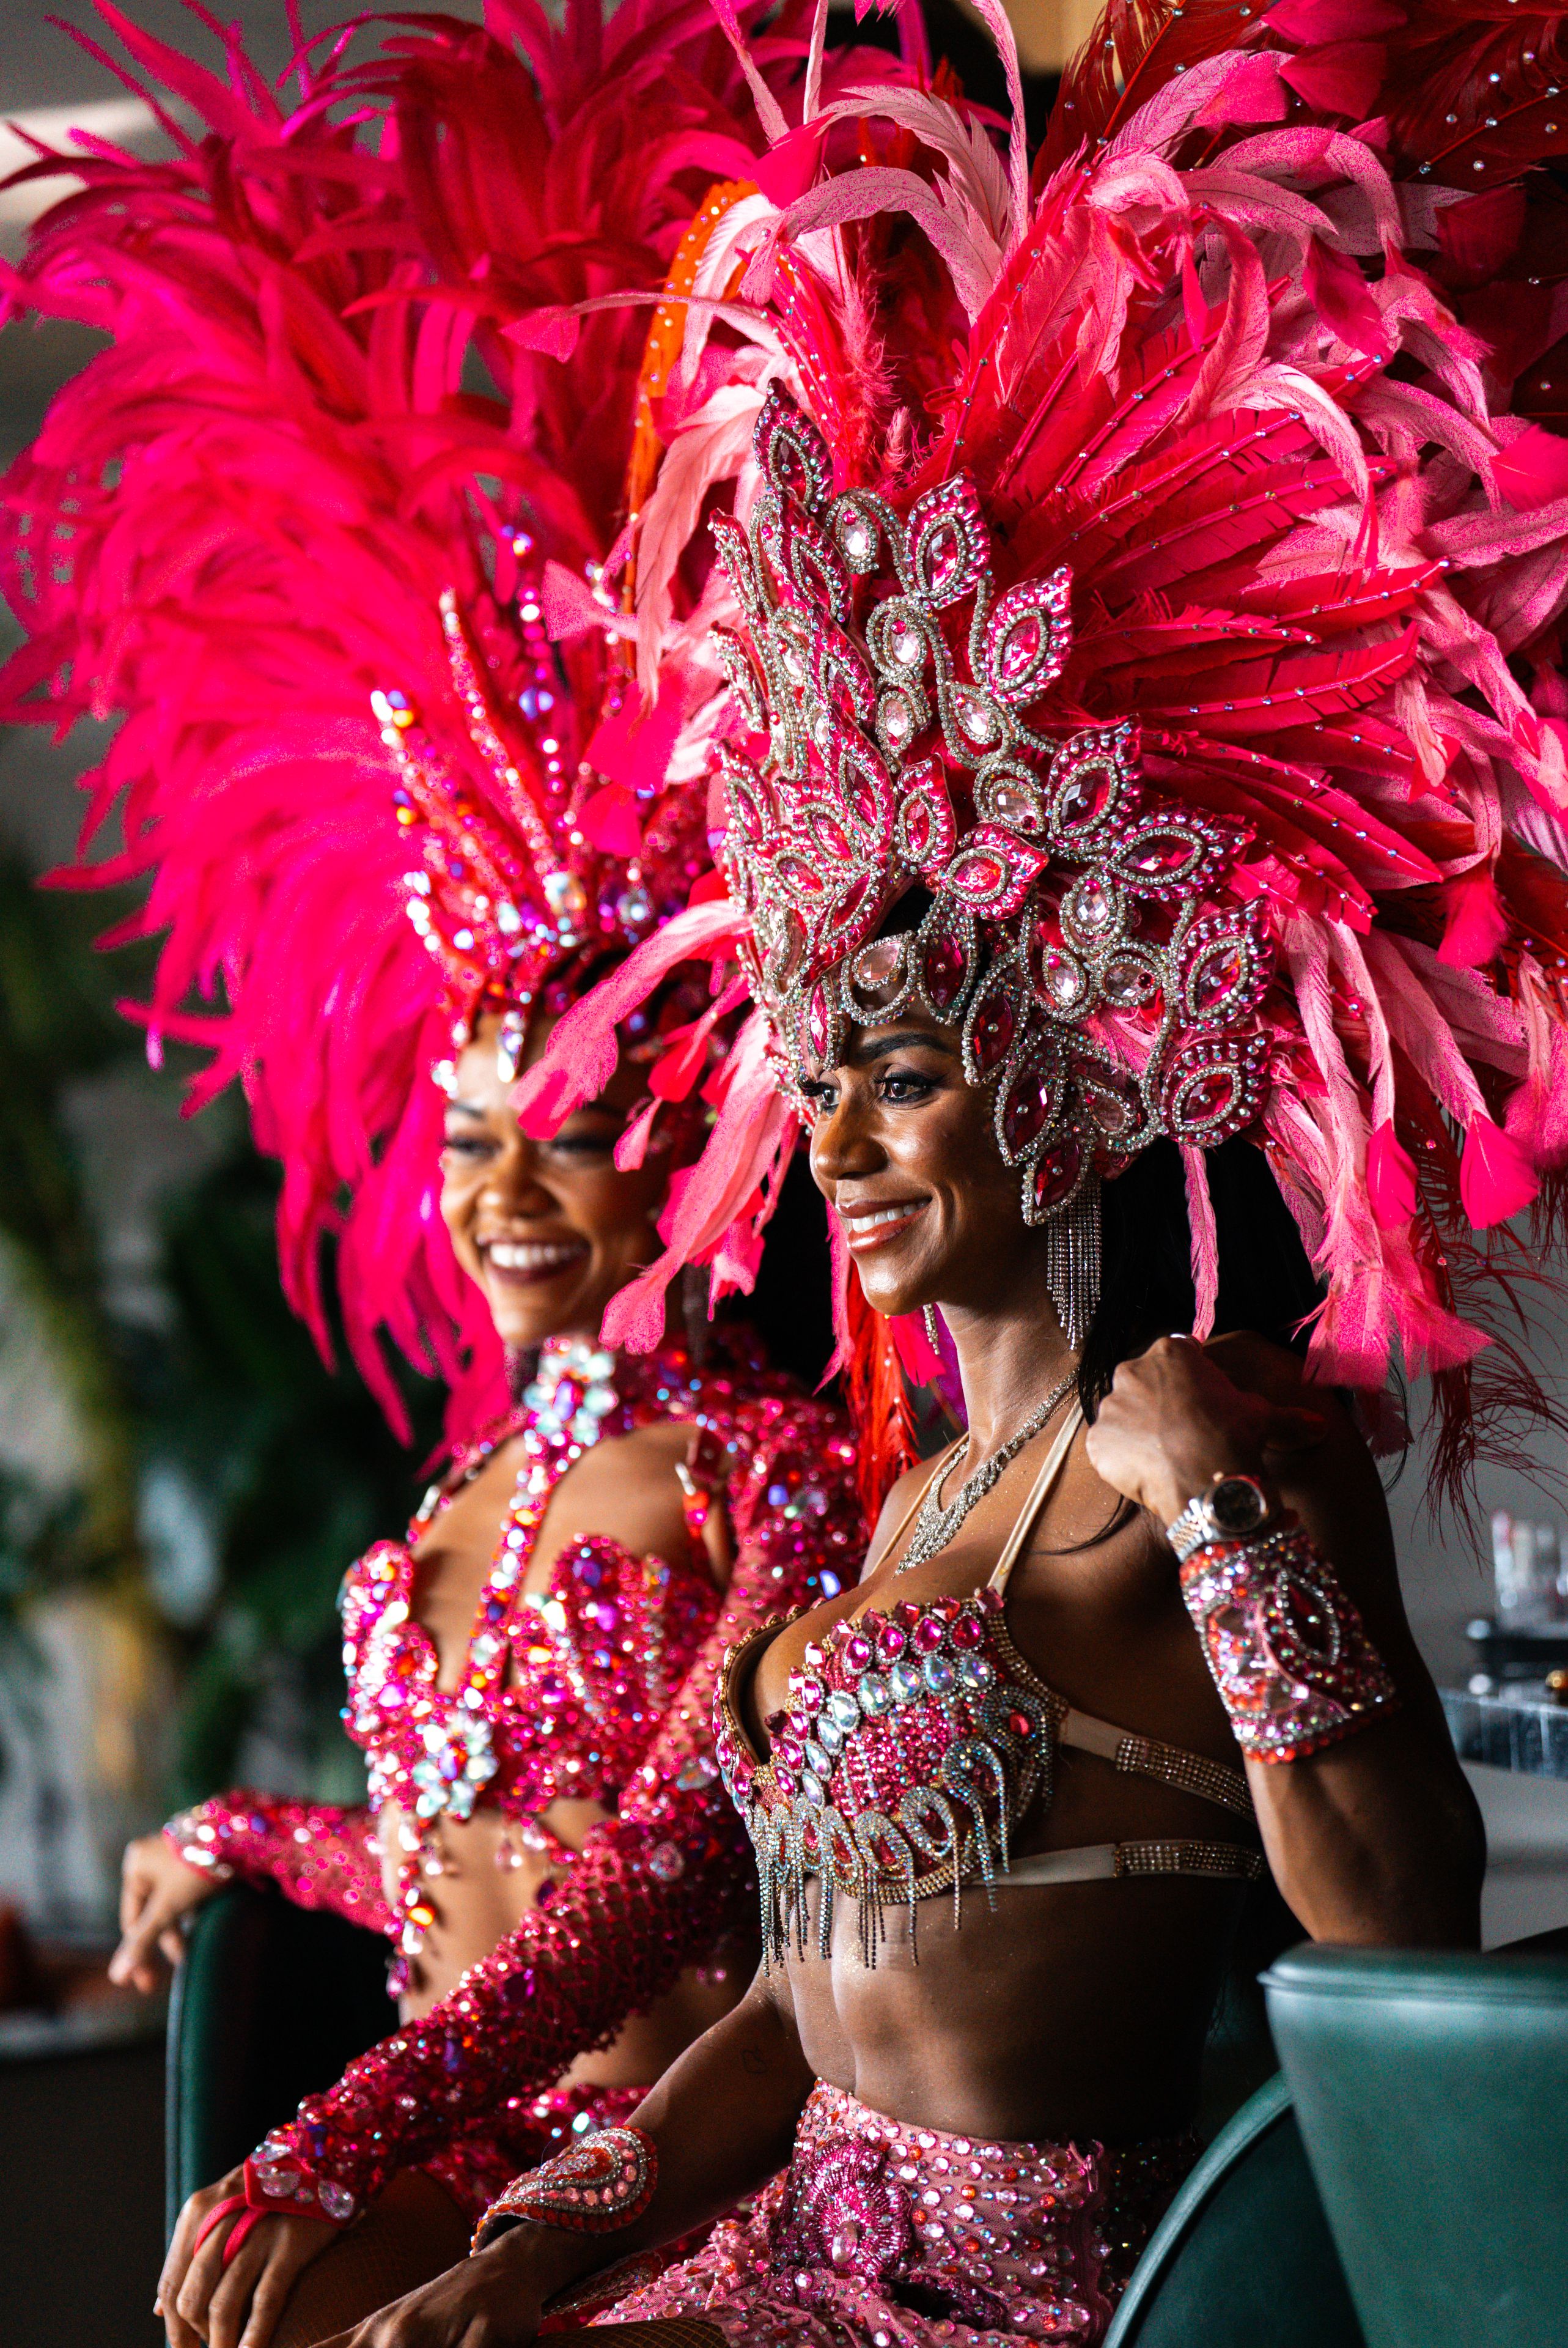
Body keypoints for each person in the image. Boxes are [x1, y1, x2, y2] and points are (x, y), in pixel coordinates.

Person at [307, 7, 1568, 2341]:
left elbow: (1397, 1920)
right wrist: (537, 2239)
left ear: (1063, 1078)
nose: (841, 1156)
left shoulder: (1189, 1440)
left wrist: (1224, 1521)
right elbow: (791, 2005)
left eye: (894, 1080)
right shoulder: (919, 1507)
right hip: (776, 2262)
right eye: (821, 1080)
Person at [0, 6, 932, 2341]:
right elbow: (457, 1860)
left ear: (689, 1153)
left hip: (683, 2167)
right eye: (475, 1132)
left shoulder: (775, 1474)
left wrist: (330, 2127)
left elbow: (636, 1886)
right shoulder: (438, 1511)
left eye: (584, 1130)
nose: (514, 1190)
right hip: (474, 2131)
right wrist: (248, 1835)